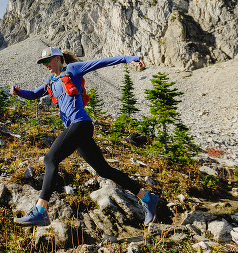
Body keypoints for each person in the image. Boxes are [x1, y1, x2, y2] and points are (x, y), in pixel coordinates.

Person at [9, 46, 159, 226]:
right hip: (78, 128)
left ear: (57, 58)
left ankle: (41, 210)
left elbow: (100, 63)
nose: (45, 65)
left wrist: (129, 58)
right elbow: (33, 94)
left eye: (47, 61)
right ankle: (147, 198)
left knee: (50, 159)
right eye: (43, 63)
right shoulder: (51, 82)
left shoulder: (72, 70)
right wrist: (18, 92)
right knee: (104, 170)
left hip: (80, 123)